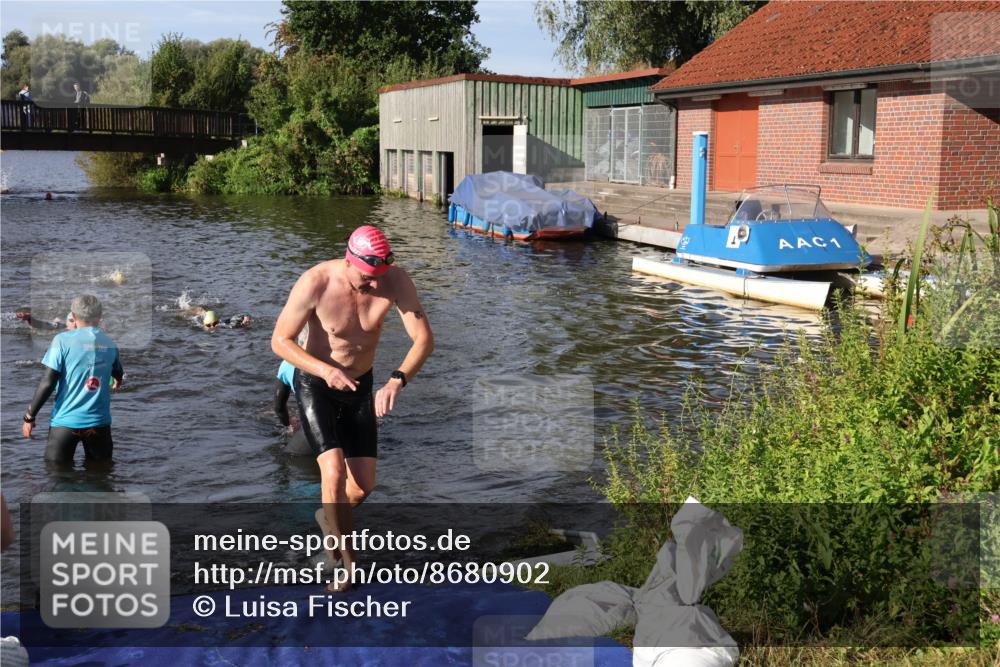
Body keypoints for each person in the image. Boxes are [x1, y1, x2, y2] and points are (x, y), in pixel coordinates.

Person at [271, 225, 434, 592]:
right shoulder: (315, 282)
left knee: (361, 488)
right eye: (367, 277)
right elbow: (279, 341)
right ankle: (347, 563)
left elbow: (424, 339)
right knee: (332, 473)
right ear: (349, 260)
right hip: (317, 383)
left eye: (380, 277)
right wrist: (325, 369)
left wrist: (397, 380)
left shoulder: (395, 281)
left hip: (360, 386)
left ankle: (326, 516)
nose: (374, 285)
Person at [22, 295, 124, 465]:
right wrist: (116, 380)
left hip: (65, 423)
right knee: (100, 479)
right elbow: (118, 373)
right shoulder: (110, 343)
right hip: (98, 424)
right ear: (99, 317)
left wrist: (29, 416)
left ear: (74, 317)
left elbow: (48, 382)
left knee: (57, 478)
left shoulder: (61, 341)